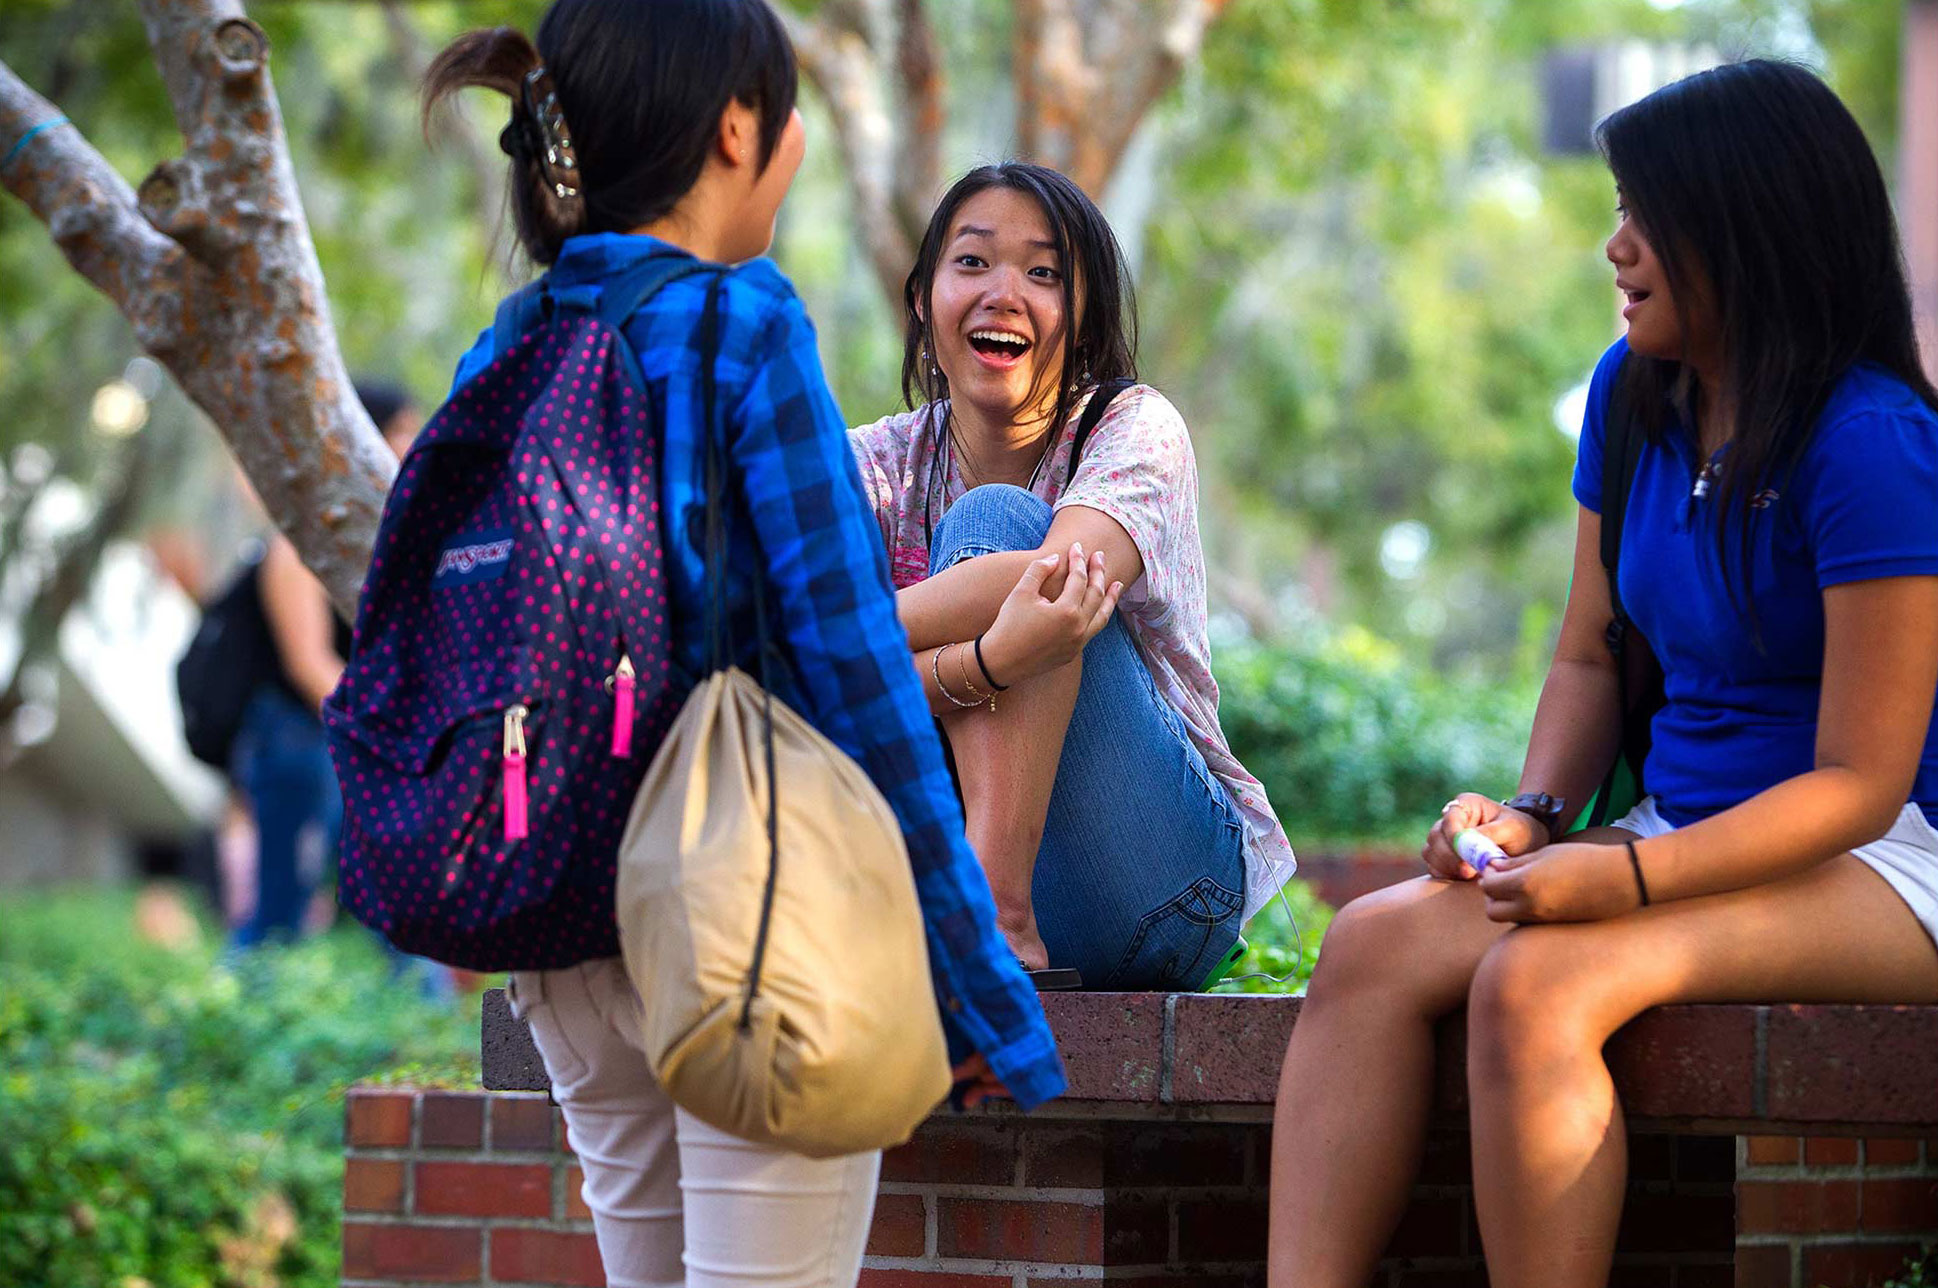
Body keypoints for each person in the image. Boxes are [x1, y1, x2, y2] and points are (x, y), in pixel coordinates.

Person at [422, 4, 1066, 1285]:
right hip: (741, 912)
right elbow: (855, 674)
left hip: (567, 936)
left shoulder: (512, 342)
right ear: (737, 131)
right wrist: (980, 985)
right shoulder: (740, 327)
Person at [1267, 60, 1938, 1288]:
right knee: (1368, 944)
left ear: (1748, 228)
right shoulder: (1638, 394)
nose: (1615, 246)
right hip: (1673, 830)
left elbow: (1862, 780)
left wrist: (1629, 876)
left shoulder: (1874, 444)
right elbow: (1590, 651)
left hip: (1887, 859)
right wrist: (1530, 817)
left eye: (1646, 215)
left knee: (1537, 981)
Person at [848, 162, 1295, 988]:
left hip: (1155, 886)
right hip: (923, 889)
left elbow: (1061, 580)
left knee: (995, 522)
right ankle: (982, 916)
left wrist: (846, 646)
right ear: (922, 296)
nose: (1004, 293)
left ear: (1081, 315)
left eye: (1044, 272)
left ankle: (994, 917)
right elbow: (786, 692)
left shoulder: (1134, 428)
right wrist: (985, 663)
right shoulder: (869, 468)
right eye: (973, 262)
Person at [227, 381, 419, 949]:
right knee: (281, 910)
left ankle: (421, 1017)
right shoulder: (301, 540)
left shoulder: (388, 531)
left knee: (399, 899)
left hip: (334, 738)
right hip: (296, 739)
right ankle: (233, 1017)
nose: (417, 442)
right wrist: (392, 730)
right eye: (405, 430)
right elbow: (309, 663)